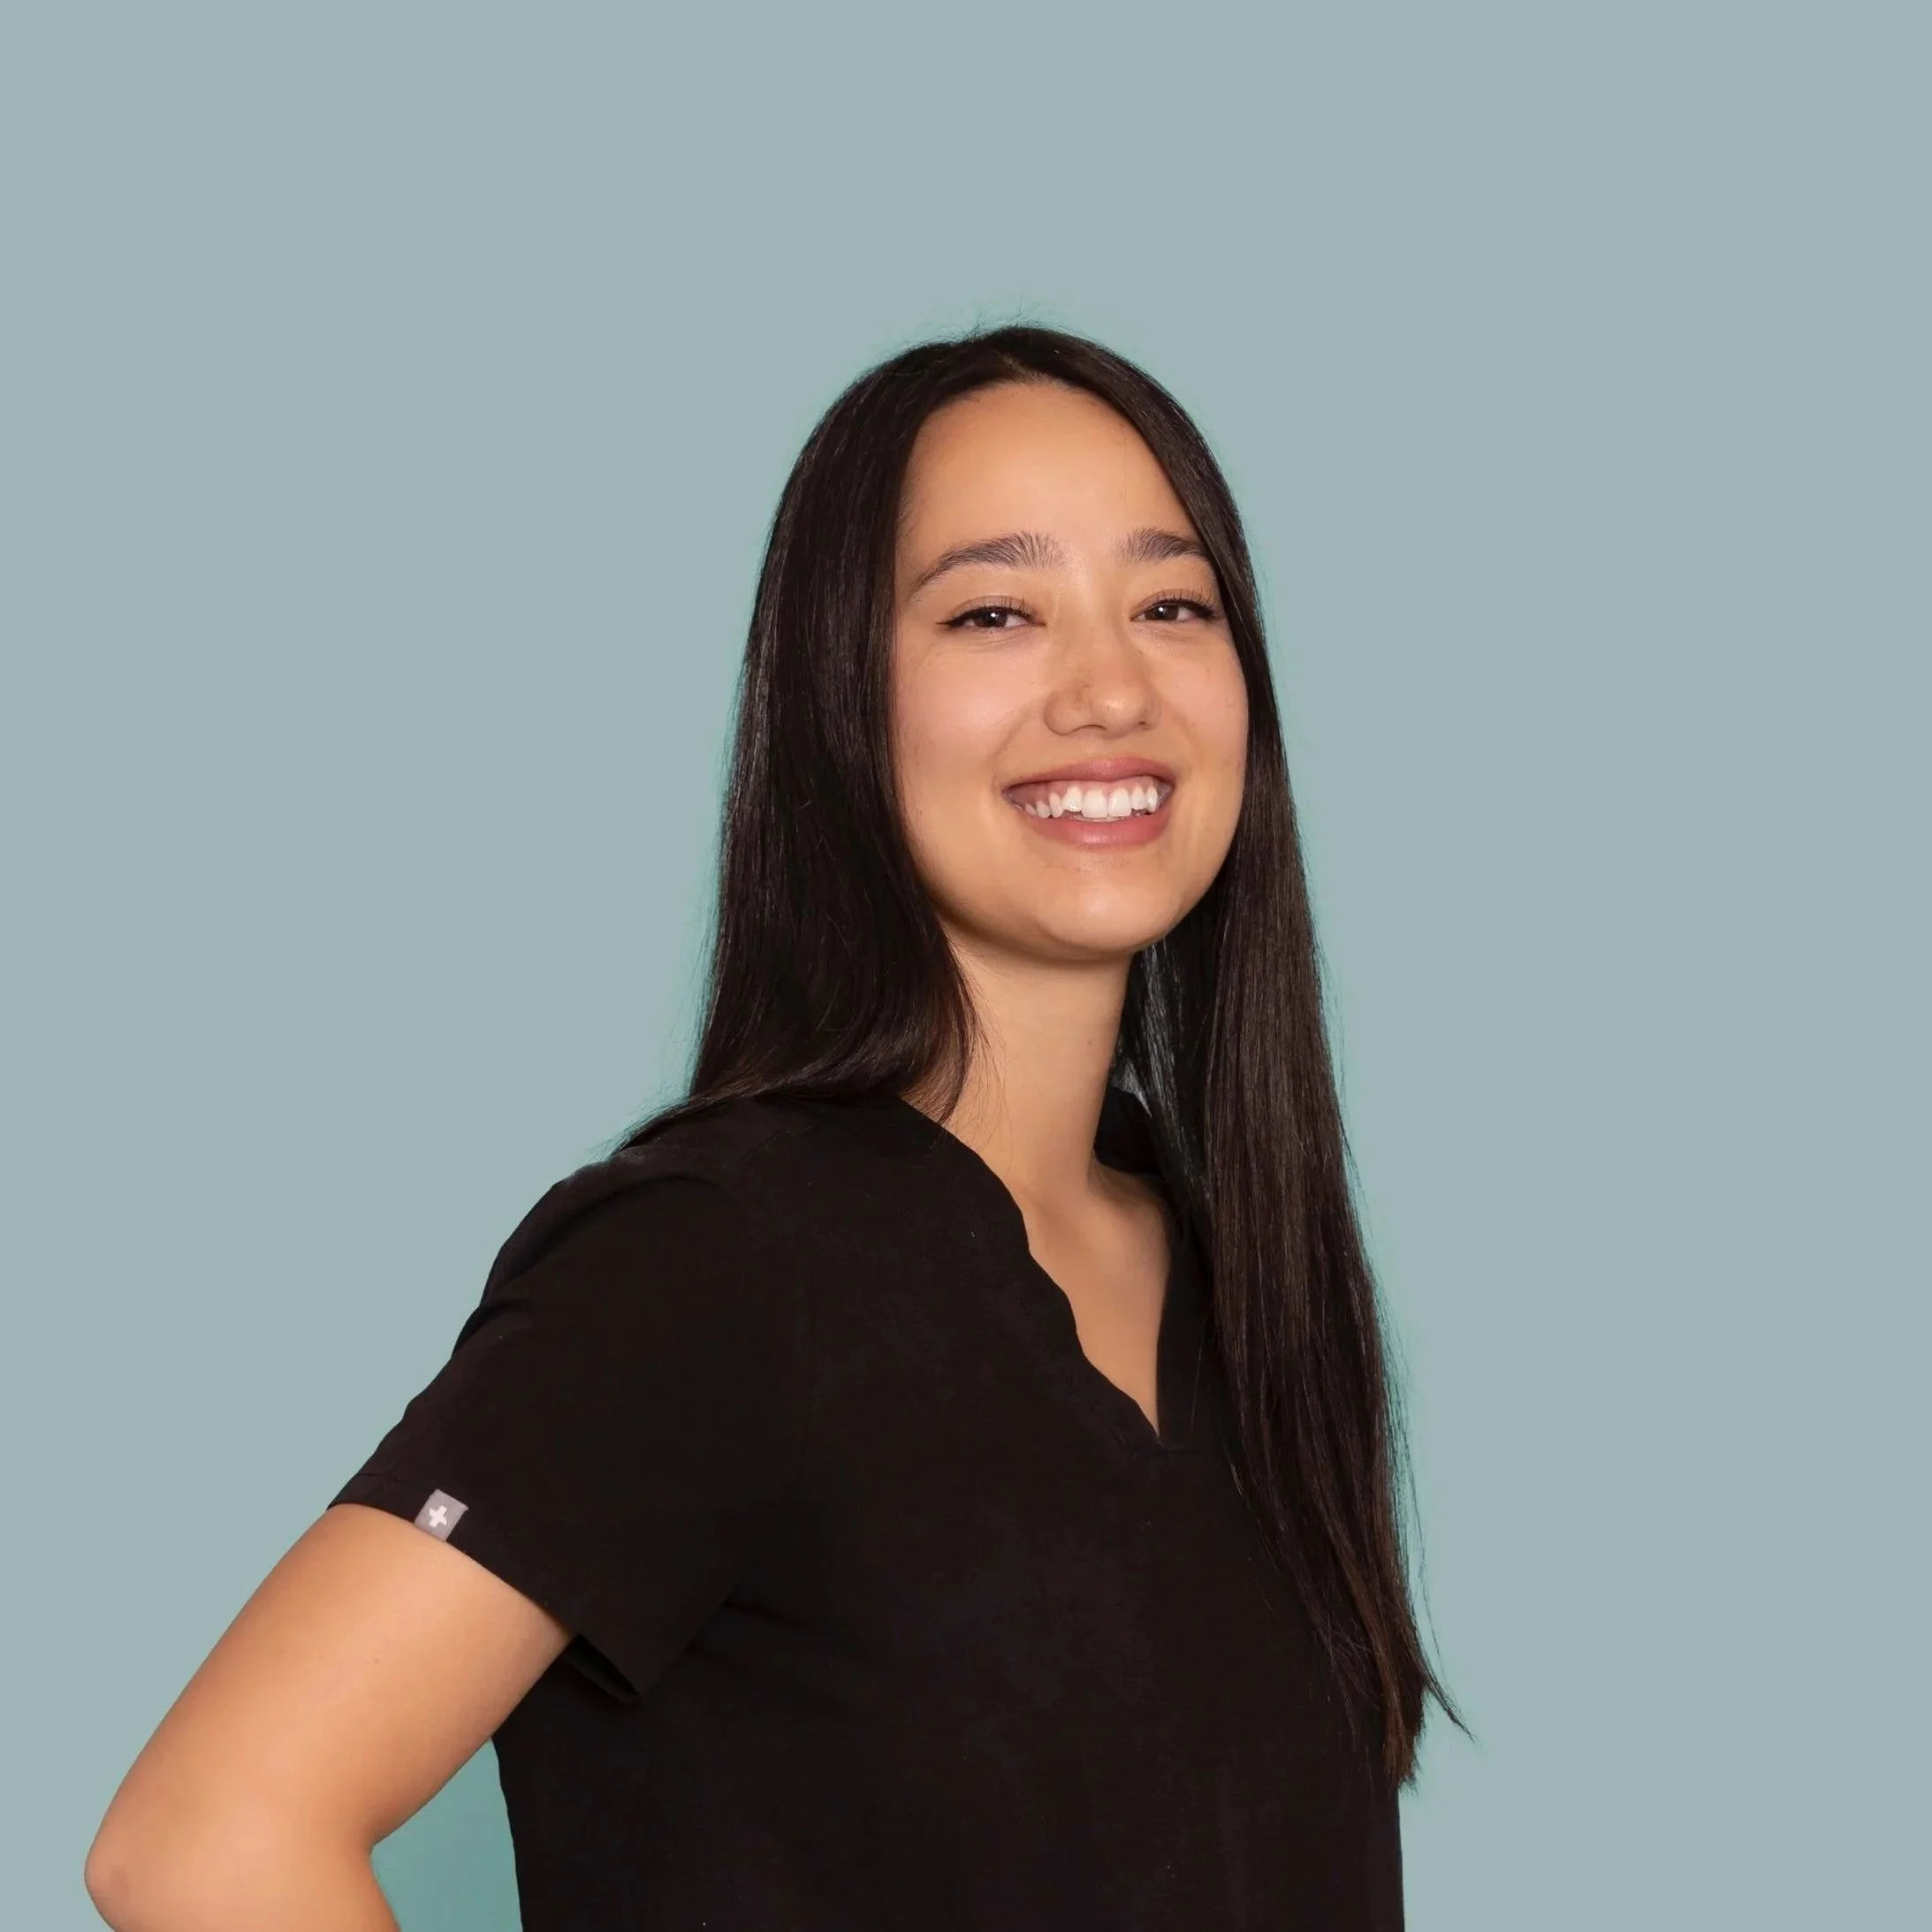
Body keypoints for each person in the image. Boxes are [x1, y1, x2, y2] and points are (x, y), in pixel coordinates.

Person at [86, 324, 1458, 1930]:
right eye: (993, 612)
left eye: (1172, 604)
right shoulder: (711, 1260)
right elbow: (204, 1834)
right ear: (838, 697)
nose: (1110, 687)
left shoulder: (1248, 1278)